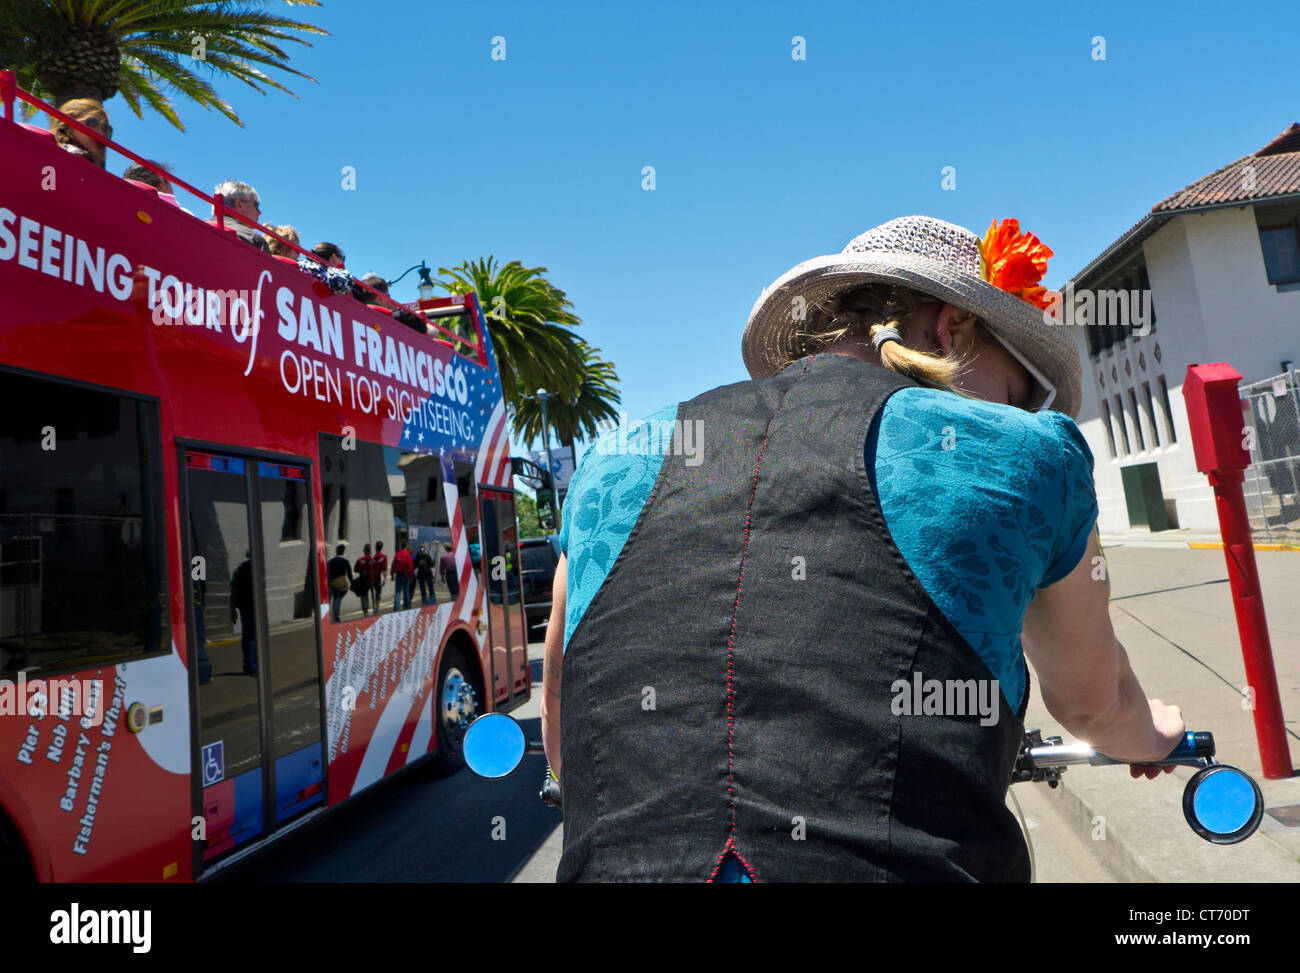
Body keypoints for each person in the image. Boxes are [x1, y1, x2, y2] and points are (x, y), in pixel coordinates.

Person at [542, 215, 1186, 883]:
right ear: (952, 327)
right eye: (1019, 387)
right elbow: (1093, 702)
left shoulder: (614, 461)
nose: (1019, 412)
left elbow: (560, 706)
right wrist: (1152, 733)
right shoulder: (1020, 452)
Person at [208, 180, 270, 252]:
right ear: (240, 205)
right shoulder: (254, 240)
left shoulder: (198, 227)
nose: (259, 212)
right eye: (256, 205)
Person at [51, 99, 110, 168]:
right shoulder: (69, 156)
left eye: (105, 128)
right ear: (69, 125)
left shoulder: (91, 162)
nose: (100, 133)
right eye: (92, 123)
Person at [229, 551, 257, 675]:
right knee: (253, 636)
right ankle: (253, 665)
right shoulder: (257, 569)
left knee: (246, 635)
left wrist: (232, 610)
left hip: (244, 607)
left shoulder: (238, 570)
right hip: (254, 606)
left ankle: (247, 663)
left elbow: (233, 592)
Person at [326, 543, 353, 623]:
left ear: (336, 551)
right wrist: (352, 583)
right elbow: (349, 574)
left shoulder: (330, 562)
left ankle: (335, 616)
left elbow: (327, 573)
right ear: (343, 552)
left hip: (333, 584)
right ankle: (336, 617)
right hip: (342, 584)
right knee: (338, 600)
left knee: (335, 599)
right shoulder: (345, 562)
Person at [391, 542, 414, 611]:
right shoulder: (407, 554)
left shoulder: (397, 553)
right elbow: (411, 566)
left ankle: (396, 608)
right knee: (406, 591)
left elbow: (393, 564)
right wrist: (411, 576)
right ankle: (406, 607)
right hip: (405, 574)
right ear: (406, 546)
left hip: (398, 574)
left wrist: (392, 574)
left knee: (397, 592)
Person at [353, 543, 374, 617]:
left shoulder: (360, 560)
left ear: (364, 550)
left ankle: (366, 613)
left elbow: (355, 570)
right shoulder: (373, 560)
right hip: (372, 580)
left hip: (363, 581)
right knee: (373, 595)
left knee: (364, 596)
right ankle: (375, 610)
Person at [370, 540, 389, 613]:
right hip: (377, 579)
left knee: (373, 593)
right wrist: (385, 579)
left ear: (375, 548)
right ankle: (377, 607)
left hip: (371, 578)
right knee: (378, 593)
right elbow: (384, 569)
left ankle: (375, 606)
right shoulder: (383, 557)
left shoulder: (373, 558)